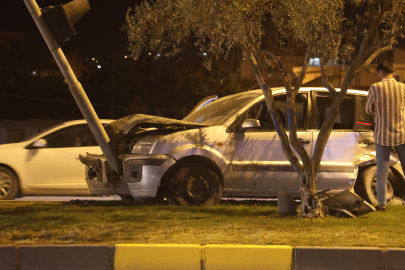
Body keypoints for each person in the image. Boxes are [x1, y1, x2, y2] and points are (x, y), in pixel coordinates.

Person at [366, 61, 405, 212]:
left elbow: (368, 109)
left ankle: (381, 205)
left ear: (381, 73)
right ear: (393, 72)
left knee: (382, 171)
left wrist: (380, 113)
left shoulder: (376, 87)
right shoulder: (402, 88)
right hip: (402, 134)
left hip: (382, 135)